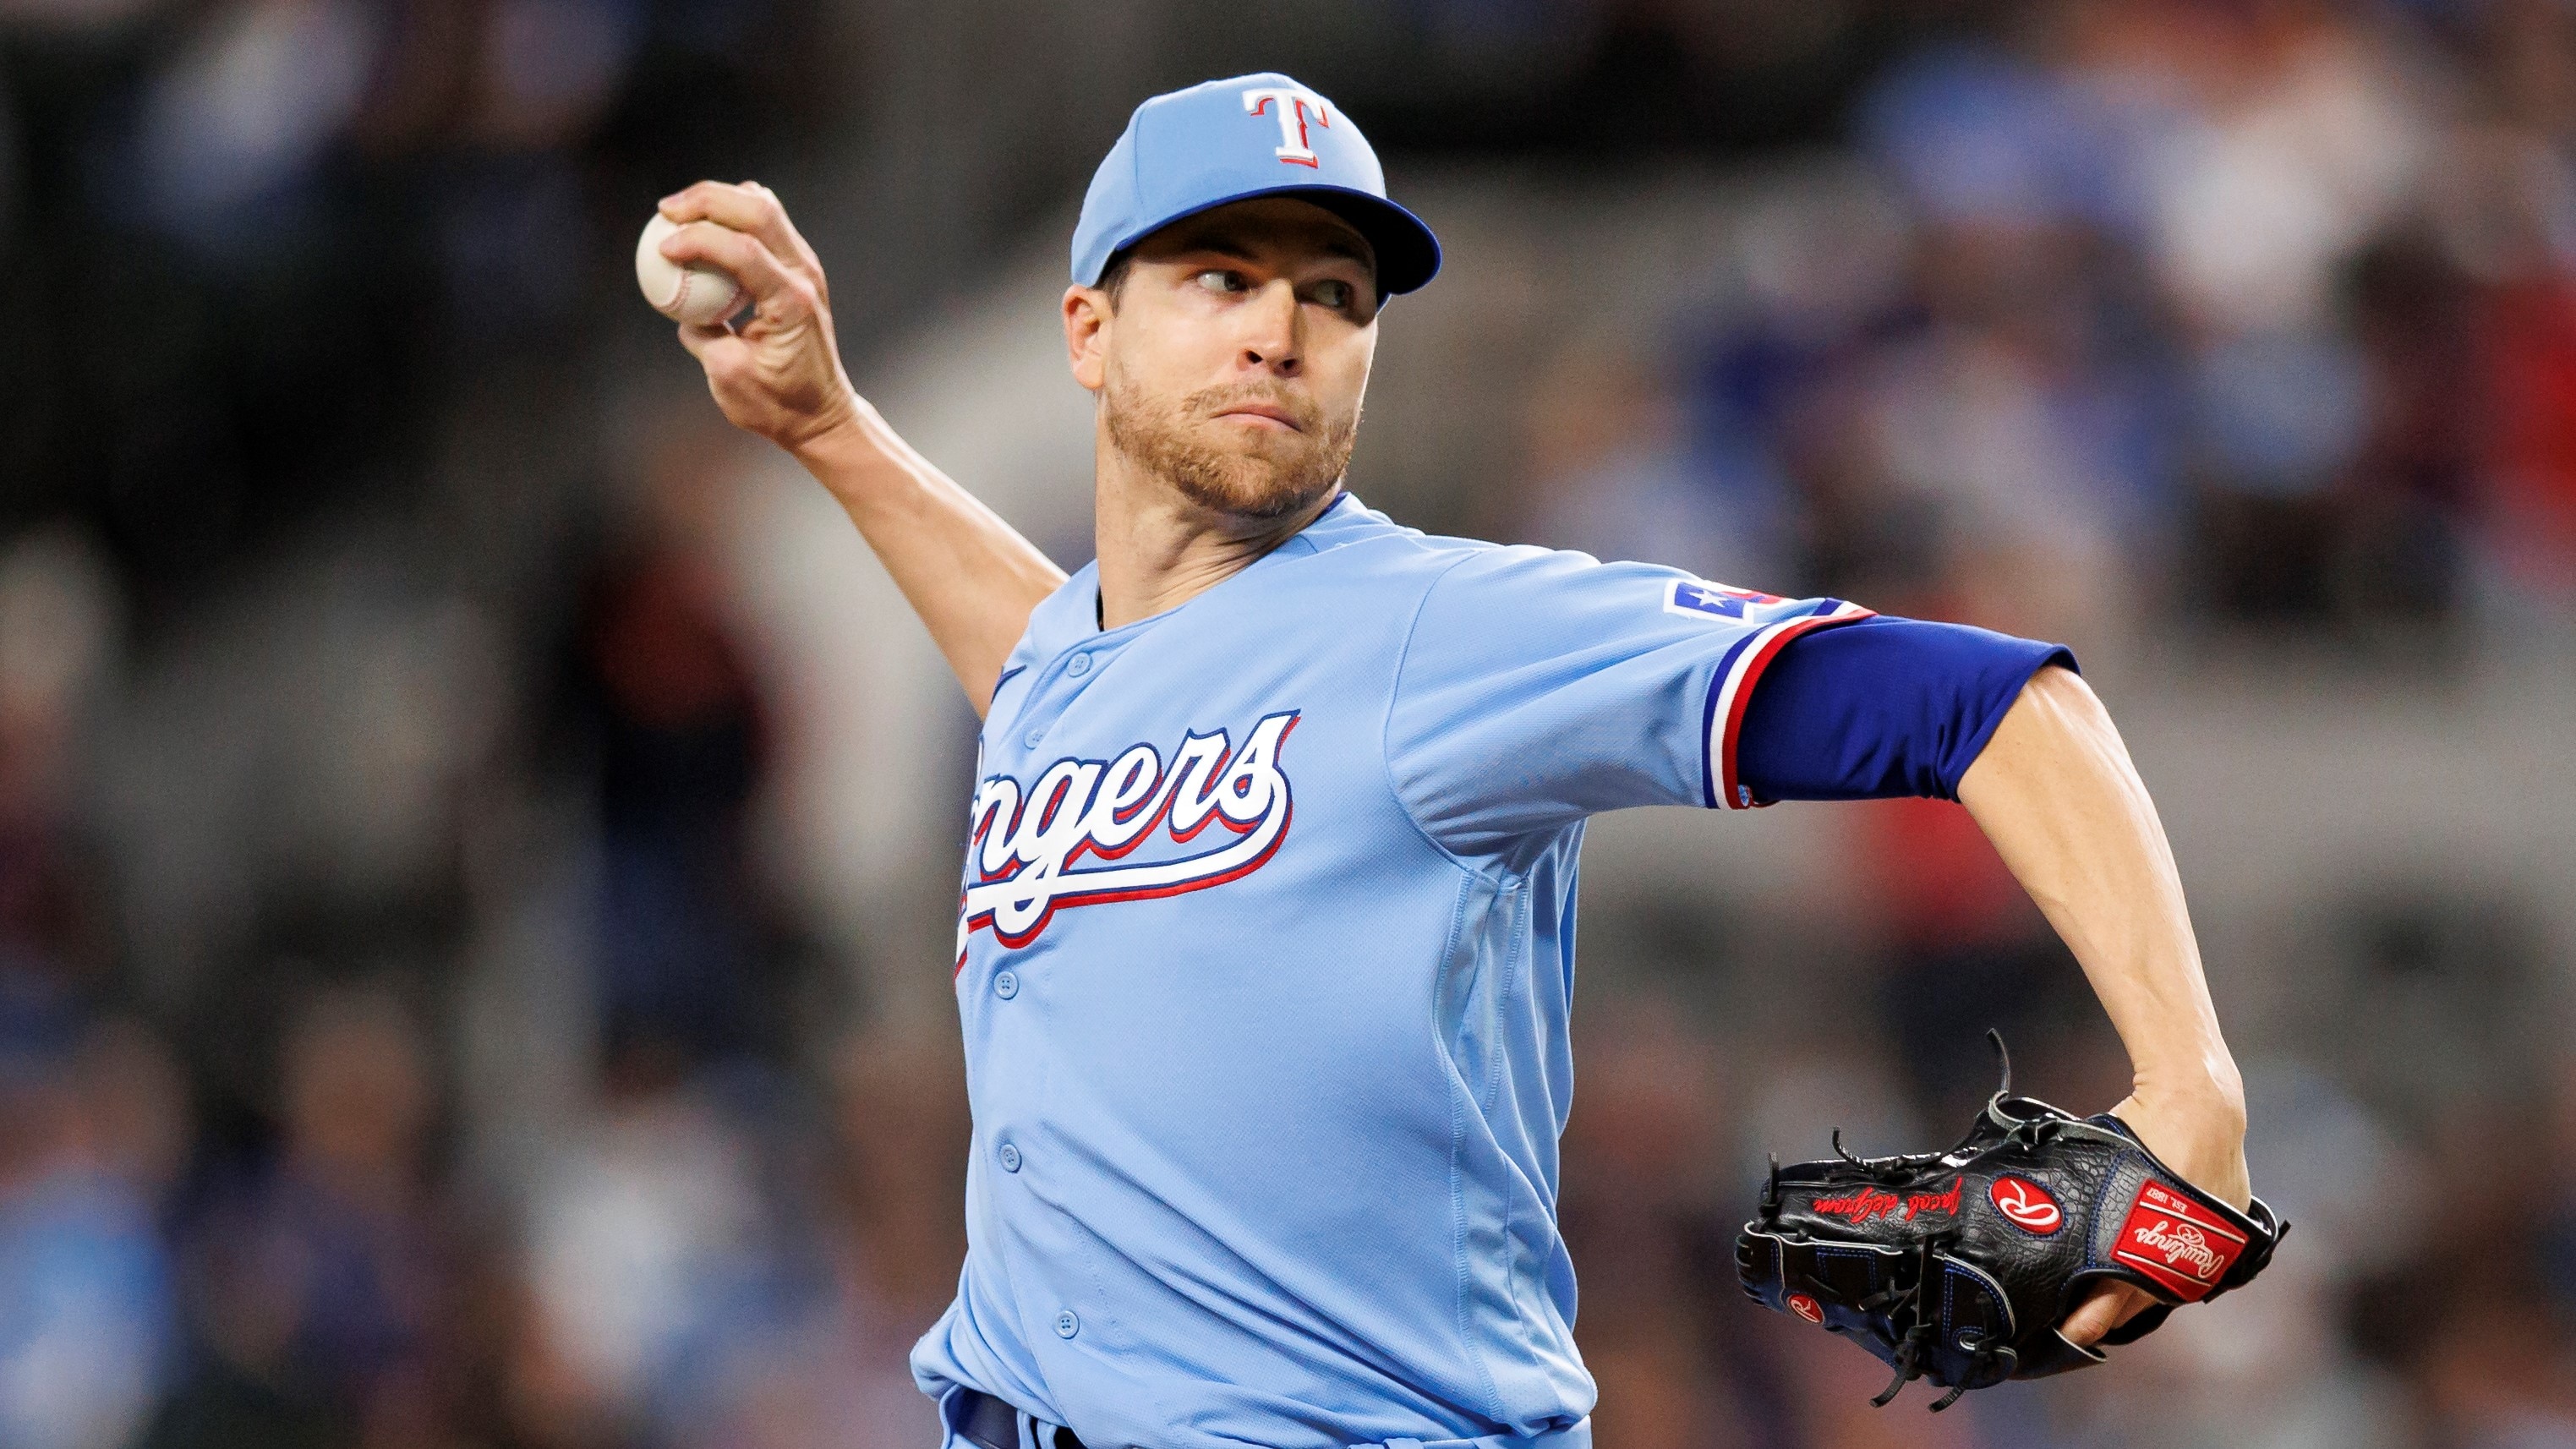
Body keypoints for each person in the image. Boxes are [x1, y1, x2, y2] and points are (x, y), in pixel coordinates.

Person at [652, 73, 2253, 1449]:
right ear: (1088, 327)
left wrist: (2190, 1077)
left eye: (1336, 294)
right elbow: (1053, 662)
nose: (1282, 330)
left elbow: (1997, 707)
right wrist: (829, 428)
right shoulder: (1079, 668)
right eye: (1220, 275)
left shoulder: (1452, 633)